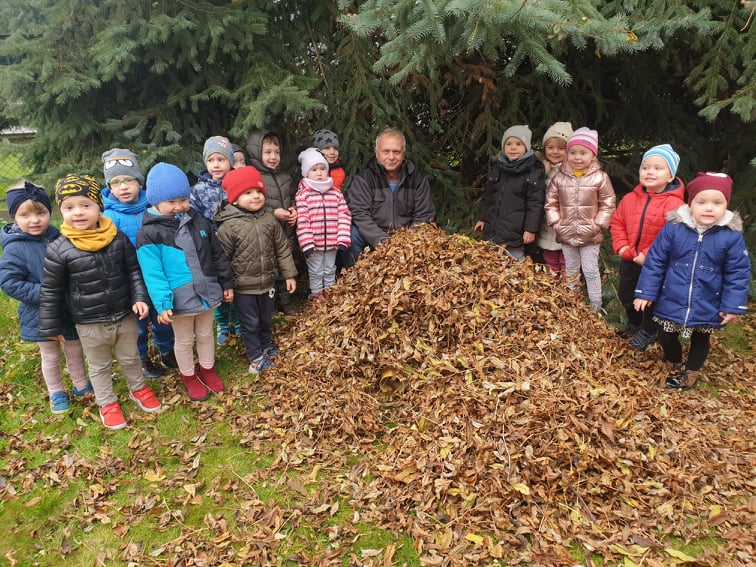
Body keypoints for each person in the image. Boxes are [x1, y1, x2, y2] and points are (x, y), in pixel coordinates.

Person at [38, 174, 161, 430]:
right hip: (89, 322)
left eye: (85, 205)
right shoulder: (59, 249)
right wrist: (51, 327)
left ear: (99, 207)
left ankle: (137, 388)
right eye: (69, 207)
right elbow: (51, 291)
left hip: (125, 314)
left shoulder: (117, 238)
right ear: (61, 212)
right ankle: (107, 402)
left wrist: (139, 298)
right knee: (99, 365)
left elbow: (134, 271)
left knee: (130, 358)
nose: (78, 213)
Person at [633, 172, 750, 390]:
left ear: (726, 204)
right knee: (666, 334)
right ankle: (674, 358)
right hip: (673, 296)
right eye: (702, 202)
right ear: (690, 203)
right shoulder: (674, 228)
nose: (709, 208)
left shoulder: (731, 235)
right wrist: (645, 292)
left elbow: (737, 272)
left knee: (701, 338)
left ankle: (691, 373)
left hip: (708, 300)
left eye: (717, 203)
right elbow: (656, 260)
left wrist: (732, 306)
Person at [137, 163, 235, 401]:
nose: (179, 206)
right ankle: (189, 375)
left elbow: (217, 254)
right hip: (178, 298)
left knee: (205, 333)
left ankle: (208, 369)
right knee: (183, 339)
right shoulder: (149, 233)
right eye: (171, 201)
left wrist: (226, 283)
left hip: (208, 290)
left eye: (183, 199)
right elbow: (153, 273)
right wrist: (162, 303)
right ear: (156, 201)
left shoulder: (199, 222)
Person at [0, 181, 94, 415]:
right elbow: (9, 282)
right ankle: (56, 392)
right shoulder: (14, 248)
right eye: (25, 215)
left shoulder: (61, 237)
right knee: (50, 355)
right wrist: (46, 292)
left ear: (49, 212)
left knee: (75, 349)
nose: (34, 220)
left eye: (40, 213)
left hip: (69, 309)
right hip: (39, 313)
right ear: (14, 217)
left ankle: (81, 384)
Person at [101, 148, 177, 377]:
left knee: (164, 318)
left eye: (128, 180)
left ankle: (167, 352)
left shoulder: (152, 208)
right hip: (130, 281)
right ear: (110, 187)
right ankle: (142, 359)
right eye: (116, 182)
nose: (123, 187)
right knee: (138, 326)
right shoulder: (108, 217)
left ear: (140, 183)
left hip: (157, 275)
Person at [215, 166, 297, 376]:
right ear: (234, 199)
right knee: (249, 323)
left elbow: (282, 248)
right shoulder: (229, 226)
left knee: (265, 319)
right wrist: (226, 285)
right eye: (248, 193)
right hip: (244, 288)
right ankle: (255, 357)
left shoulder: (269, 220)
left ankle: (265, 344)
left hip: (267, 283)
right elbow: (221, 259)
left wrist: (288, 274)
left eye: (259, 192)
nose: (256, 196)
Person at [610, 144, 685, 349]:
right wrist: (622, 247)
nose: (650, 171)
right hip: (630, 259)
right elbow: (617, 223)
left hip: (656, 265)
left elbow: (673, 238)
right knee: (626, 294)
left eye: (658, 168)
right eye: (645, 167)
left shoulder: (675, 206)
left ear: (671, 176)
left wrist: (649, 256)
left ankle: (648, 331)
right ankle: (634, 323)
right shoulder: (629, 199)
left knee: (650, 301)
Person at [544, 127, 616, 312]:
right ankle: (572, 302)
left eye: (583, 153)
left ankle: (595, 304)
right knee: (572, 269)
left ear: (593, 155)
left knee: (590, 270)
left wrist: (598, 224)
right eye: (573, 153)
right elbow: (550, 202)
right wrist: (557, 223)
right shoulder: (560, 178)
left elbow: (608, 202)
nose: (577, 157)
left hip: (590, 234)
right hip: (566, 233)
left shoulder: (600, 178)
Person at [345, 128, 435, 266]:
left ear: (403, 154)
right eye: (386, 151)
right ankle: (354, 278)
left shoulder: (417, 180)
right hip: (373, 237)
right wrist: (383, 241)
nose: (391, 157)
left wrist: (406, 241)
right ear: (376, 153)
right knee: (352, 234)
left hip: (407, 237)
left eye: (396, 152)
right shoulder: (364, 179)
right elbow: (360, 214)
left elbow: (424, 215)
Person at [189, 136, 239, 345]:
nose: (216, 165)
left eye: (221, 159)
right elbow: (195, 216)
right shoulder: (198, 189)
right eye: (211, 160)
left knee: (234, 282)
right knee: (216, 285)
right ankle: (222, 323)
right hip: (211, 244)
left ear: (230, 162)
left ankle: (237, 322)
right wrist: (208, 235)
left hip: (235, 242)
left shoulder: (236, 183)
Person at [473, 124, 546, 260]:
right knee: (490, 261)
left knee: (515, 262)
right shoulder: (499, 168)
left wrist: (530, 229)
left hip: (515, 231)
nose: (513, 147)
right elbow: (488, 196)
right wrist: (482, 218)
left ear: (526, 147)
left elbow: (535, 204)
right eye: (508, 144)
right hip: (493, 228)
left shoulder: (533, 172)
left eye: (518, 144)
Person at [246, 130, 299, 315]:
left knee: (285, 265)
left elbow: (292, 196)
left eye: (276, 152)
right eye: (267, 152)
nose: (273, 156)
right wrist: (273, 213)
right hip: (264, 233)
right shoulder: (254, 177)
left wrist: (294, 209)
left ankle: (286, 301)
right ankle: (271, 304)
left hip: (284, 231)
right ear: (256, 153)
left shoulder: (285, 177)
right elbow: (250, 205)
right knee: (270, 269)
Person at [295, 148, 351, 299]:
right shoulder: (303, 194)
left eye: (322, 169)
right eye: (314, 170)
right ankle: (316, 296)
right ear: (306, 173)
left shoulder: (336, 193)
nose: (319, 173)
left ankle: (330, 294)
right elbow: (303, 220)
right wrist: (307, 244)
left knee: (329, 269)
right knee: (316, 271)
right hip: (314, 243)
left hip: (332, 242)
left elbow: (344, 215)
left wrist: (343, 239)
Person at [536, 122, 572, 276]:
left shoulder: (572, 171)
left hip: (566, 224)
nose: (555, 152)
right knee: (550, 256)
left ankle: (568, 287)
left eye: (561, 148)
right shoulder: (541, 170)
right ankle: (551, 286)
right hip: (546, 224)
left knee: (567, 258)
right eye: (550, 148)